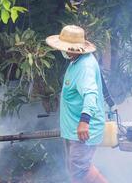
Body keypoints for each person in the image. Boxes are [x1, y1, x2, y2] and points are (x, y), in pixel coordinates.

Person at [46, 25, 108, 183]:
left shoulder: (84, 66)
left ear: (77, 48)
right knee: (76, 169)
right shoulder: (77, 60)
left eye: (67, 48)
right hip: (74, 129)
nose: (65, 51)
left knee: (80, 170)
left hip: (83, 131)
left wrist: (84, 122)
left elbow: (90, 94)